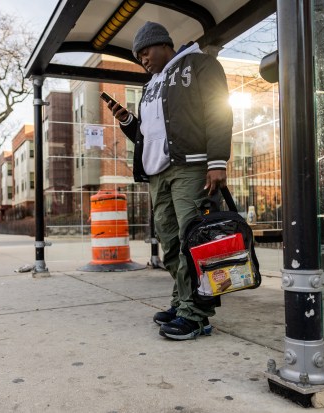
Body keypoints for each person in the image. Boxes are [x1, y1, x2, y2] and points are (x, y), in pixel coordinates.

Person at [108, 22, 233, 340]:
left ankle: (198, 314)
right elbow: (148, 136)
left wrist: (217, 161)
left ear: (163, 44)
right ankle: (182, 302)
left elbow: (218, 110)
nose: (142, 59)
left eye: (145, 52)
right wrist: (127, 121)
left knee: (194, 239)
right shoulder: (152, 86)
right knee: (170, 242)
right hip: (157, 173)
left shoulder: (200, 64)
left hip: (190, 167)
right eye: (138, 56)